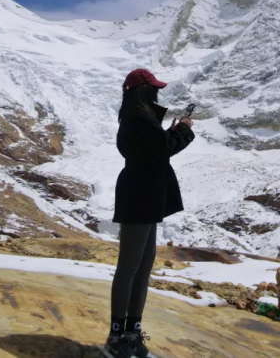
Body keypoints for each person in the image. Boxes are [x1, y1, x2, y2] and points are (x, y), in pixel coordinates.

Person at [103, 68, 195, 358]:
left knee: (142, 267)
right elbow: (164, 148)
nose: (157, 92)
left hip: (145, 194)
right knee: (131, 267)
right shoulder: (140, 117)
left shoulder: (136, 116)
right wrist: (183, 130)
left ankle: (130, 335)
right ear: (143, 91)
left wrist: (171, 130)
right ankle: (117, 339)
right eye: (153, 88)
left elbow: (153, 148)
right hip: (141, 195)